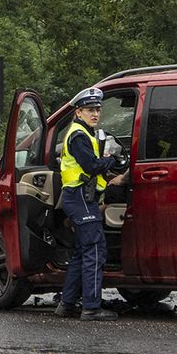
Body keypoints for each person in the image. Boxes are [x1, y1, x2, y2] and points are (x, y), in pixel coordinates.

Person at [55, 87, 127, 321]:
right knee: (95, 250)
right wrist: (110, 159)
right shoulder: (78, 135)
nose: (95, 114)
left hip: (82, 198)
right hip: (79, 198)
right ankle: (91, 308)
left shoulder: (85, 132)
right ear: (78, 112)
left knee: (82, 251)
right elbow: (91, 166)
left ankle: (66, 305)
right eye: (89, 110)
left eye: (97, 109)